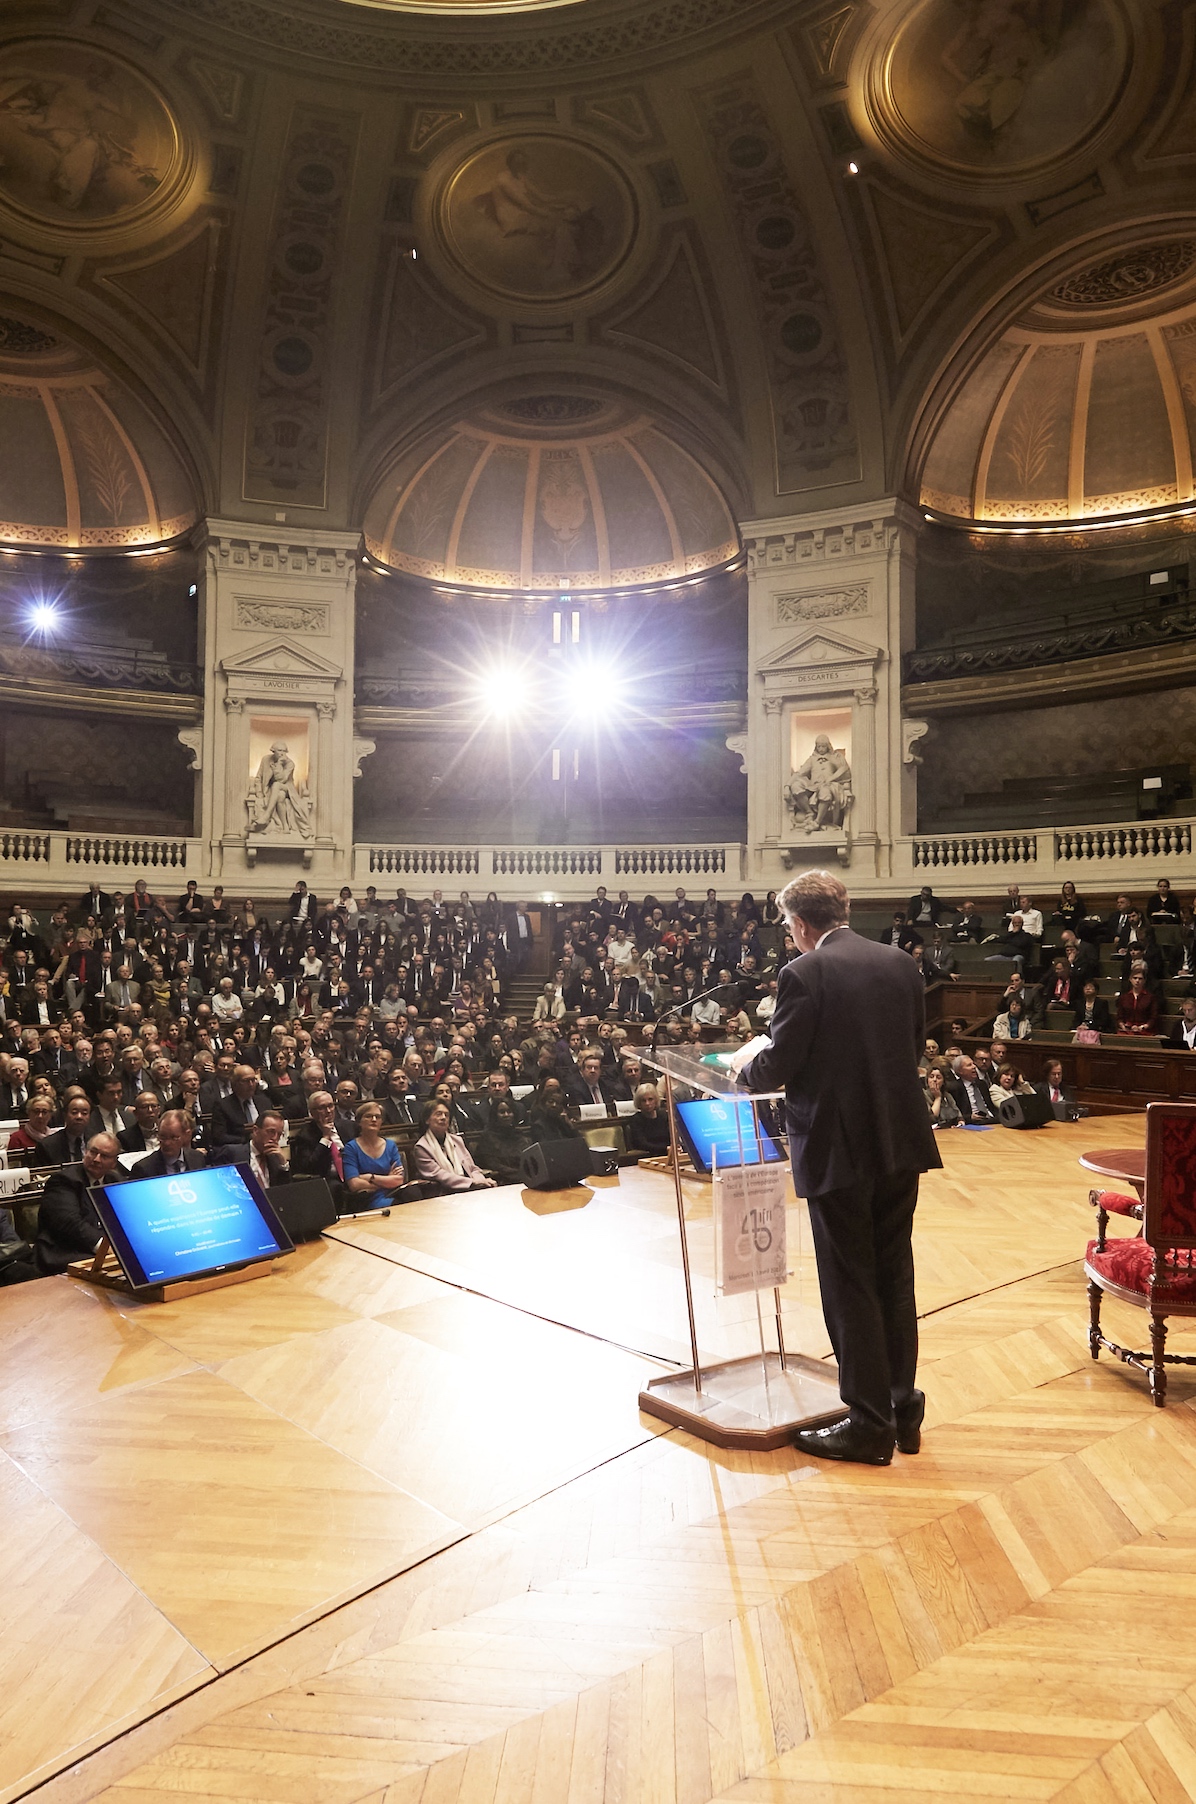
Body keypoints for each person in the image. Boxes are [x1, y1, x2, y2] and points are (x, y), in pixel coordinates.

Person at [734, 871, 941, 1467]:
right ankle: (902, 1407)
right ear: (841, 910)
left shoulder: (804, 973)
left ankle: (869, 1425)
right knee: (893, 1276)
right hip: (899, 1144)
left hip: (839, 1149)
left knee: (850, 1282)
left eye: (787, 925)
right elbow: (907, 1046)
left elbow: (777, 1066)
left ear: (799, 923)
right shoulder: (902, 964)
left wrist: (745, 1066)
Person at [36, 1132, 126, 1275]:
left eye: (104, 1156)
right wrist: (104, 1248)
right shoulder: (63, 1180)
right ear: (85, 1152)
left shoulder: (115, 1181)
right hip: (65, 1251)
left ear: (114, 1162)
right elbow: (69, 1223)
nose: (96, 1159)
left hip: (100, 1251)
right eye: (93, 1152)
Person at [341, 1100, 427, 1207]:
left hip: (394, 1192)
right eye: (368, 1116)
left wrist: (370, 1177)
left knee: (413, 1193)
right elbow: (354, 1184)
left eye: (378, 1117)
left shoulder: (390, 1145)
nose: (374, 1120)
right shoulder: (351, 1148)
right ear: (359, 1121)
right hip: (368, 1198)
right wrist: (387, 1179)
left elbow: (398, 1180)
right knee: (403, 1205)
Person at [411, 1099, 495, 1193]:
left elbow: (472, 1168)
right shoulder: (422, 1147)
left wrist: (481, 1181)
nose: (443, 1118)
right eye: (438, 1114)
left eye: (446, 1115)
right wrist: (472, 1182)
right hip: (443, 1193)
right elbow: (439, 1175)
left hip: (471, 1188)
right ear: (427, 1120)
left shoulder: (457, 1140)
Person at [474, 1095, 529, 1184]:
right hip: (501, 1180)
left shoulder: (519, 1135)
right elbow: (493, 1165)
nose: (506, 1115)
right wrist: (518, 1175)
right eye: (502, 1112)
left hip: (525, 1179)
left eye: (509, 1111)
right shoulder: (487, 1137)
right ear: (495, 1115)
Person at [624, 1082, 671, 1156]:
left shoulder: (664, 1116)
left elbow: (671, 1138)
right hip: (648, 1156)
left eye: (650, 1099)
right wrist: (665, 1148)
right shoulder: (636, 1120)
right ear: (639, 1102)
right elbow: (642, 1144)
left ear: (656, 1100)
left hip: (669, 1153)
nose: (647, 1103)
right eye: (643, 1100)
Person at [1117, 970, 1159, 1036]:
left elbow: (1153, 1017)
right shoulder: (1124, 997)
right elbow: (1120, 1017)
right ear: (1130, 979)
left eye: (1140, 978)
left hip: (1145, 1030)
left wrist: (1143, 1027)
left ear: (1144, 981)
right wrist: (1123, 1026)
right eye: (1135, 978)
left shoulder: (1150, 997)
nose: (1137, 981)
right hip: (1127, 1030)